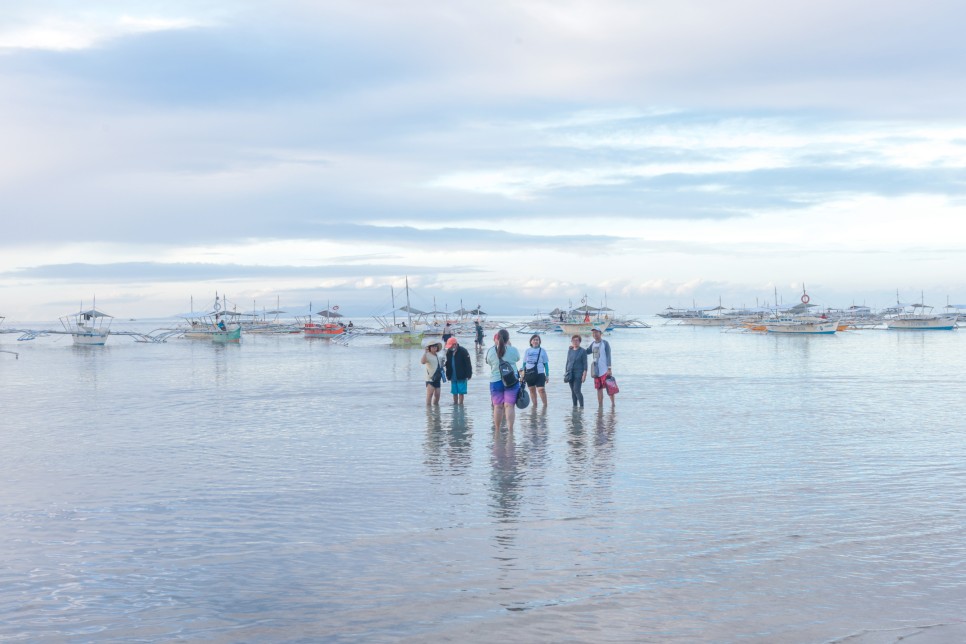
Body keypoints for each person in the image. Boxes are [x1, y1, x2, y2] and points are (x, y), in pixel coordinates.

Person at [485, 328, 521, 431]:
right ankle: (510, 431)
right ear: (508, 339)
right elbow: (517, 359)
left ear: (497, 338)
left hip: (496, 380)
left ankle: (497, 430)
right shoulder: (513, 350)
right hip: (511, 380)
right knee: (509, 406)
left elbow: (489, 362)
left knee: (497, 407)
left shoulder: (491, 351)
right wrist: (509, 345)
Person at [587, 327, 614, 406]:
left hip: (605, 370)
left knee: (610, 388)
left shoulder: (605, 343)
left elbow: (609, 355)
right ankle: (600, 406)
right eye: (593, 333)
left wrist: (609, 369)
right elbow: (587, 351)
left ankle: (613, 405)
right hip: (596, 371)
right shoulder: (593, 344)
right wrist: (576, 347)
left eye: (596, 332)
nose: (595, 334)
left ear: (600, 333)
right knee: (598, 389)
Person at [522, 334, 550, 408]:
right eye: (534, 340)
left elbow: (546, 364)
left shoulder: (542, 351)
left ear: (539, 341)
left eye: (537, 340)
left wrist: (547, 375)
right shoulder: (527, 351)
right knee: (532, 390)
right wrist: (522, 374)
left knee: (541, 390)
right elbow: (524, 363)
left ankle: (545, 406)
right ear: (531, 341)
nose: (535, 341)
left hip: (540, 373)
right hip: (529, 373)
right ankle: (534, 407)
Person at [445, 337, 472, 405]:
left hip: (462, 375)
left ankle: (461, 405)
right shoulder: (448, 352)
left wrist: (469, 374)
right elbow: (448, 364)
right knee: (454, 392)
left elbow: (468, 364)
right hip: (452, 375)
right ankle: (455, 405)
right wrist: (448, 375)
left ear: (455, 344)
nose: (450, 348)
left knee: (461, 392)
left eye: (451, 346)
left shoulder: (463, 351)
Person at [564, 334, 589, 407]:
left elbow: (585, 364)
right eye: (573, 340)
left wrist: (584, 375)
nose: (575, 342)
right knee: (572, 391)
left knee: (576, 390)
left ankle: (581, 407)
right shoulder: (570, 350)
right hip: (570, 373)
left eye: (577, 340)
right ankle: (574, 407)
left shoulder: (583, 351)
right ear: (571, 341)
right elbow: (567, 362)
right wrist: (566, 373)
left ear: (580, 341)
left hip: (578, 374)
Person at [420, 339, 445, 405]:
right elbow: (422, 362)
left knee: (437, 395)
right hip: (430, 379)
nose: (434, 347)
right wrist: (425, 353)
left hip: (437, 378)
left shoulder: (438, 356)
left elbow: (441, 365)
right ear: (429, 348)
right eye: (432, 346)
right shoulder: (427, 355)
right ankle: (429, 412)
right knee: (429, 395)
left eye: (435, 346)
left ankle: (436, 411)